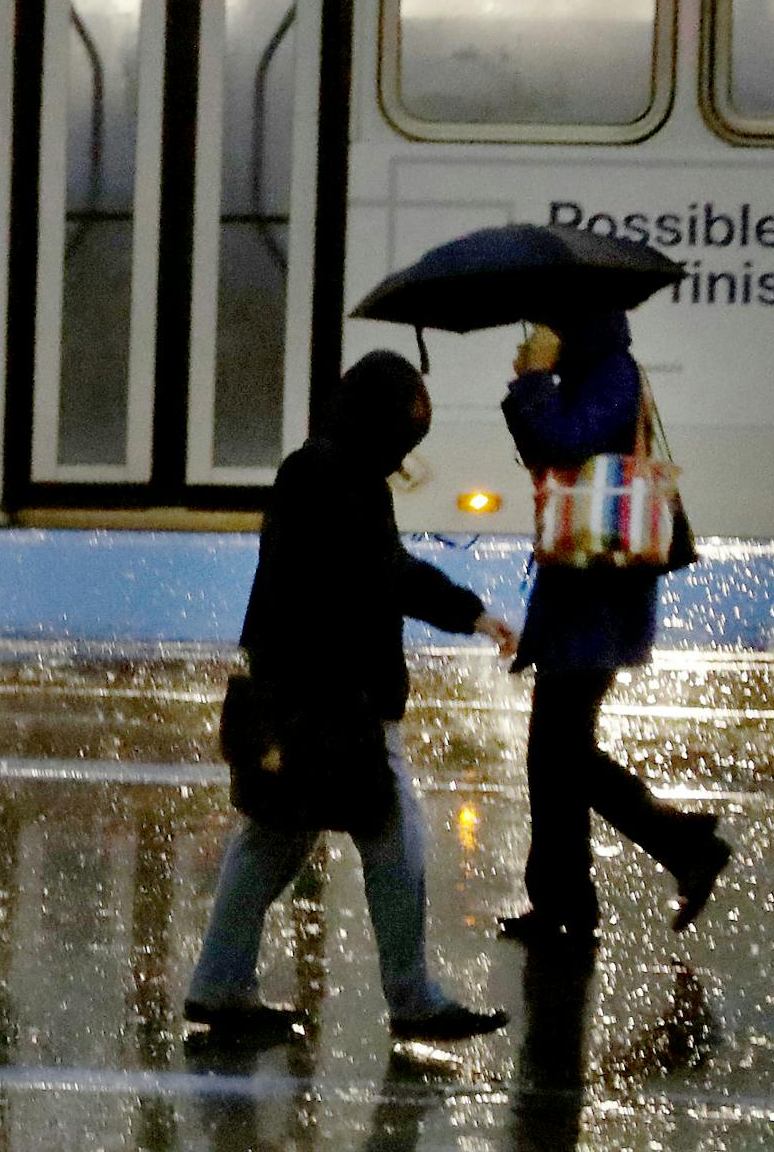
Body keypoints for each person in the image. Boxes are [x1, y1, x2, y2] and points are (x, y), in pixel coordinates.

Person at [183, 350, 515, 1043]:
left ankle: (219, 984)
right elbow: (382, 573)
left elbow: (371, 570)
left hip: (305, 690)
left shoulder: (333, 468)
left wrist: (467, 612)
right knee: (393, 840)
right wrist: (469, 611)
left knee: (273, 837)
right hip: (338, 699)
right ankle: (412, 997)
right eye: (403, 433)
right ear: (378, 421)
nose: (403, 454)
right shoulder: (328, 475)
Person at [499, 311, 732, 948]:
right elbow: (544, 454)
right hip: (580, 587)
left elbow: (567, 442)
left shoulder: (610, 372)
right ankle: (563, 905)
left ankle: (684, 843)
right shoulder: (587, 369)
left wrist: (535, 383)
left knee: (561, 754)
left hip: (597, 592)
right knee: (552, 757)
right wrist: (534, 382)